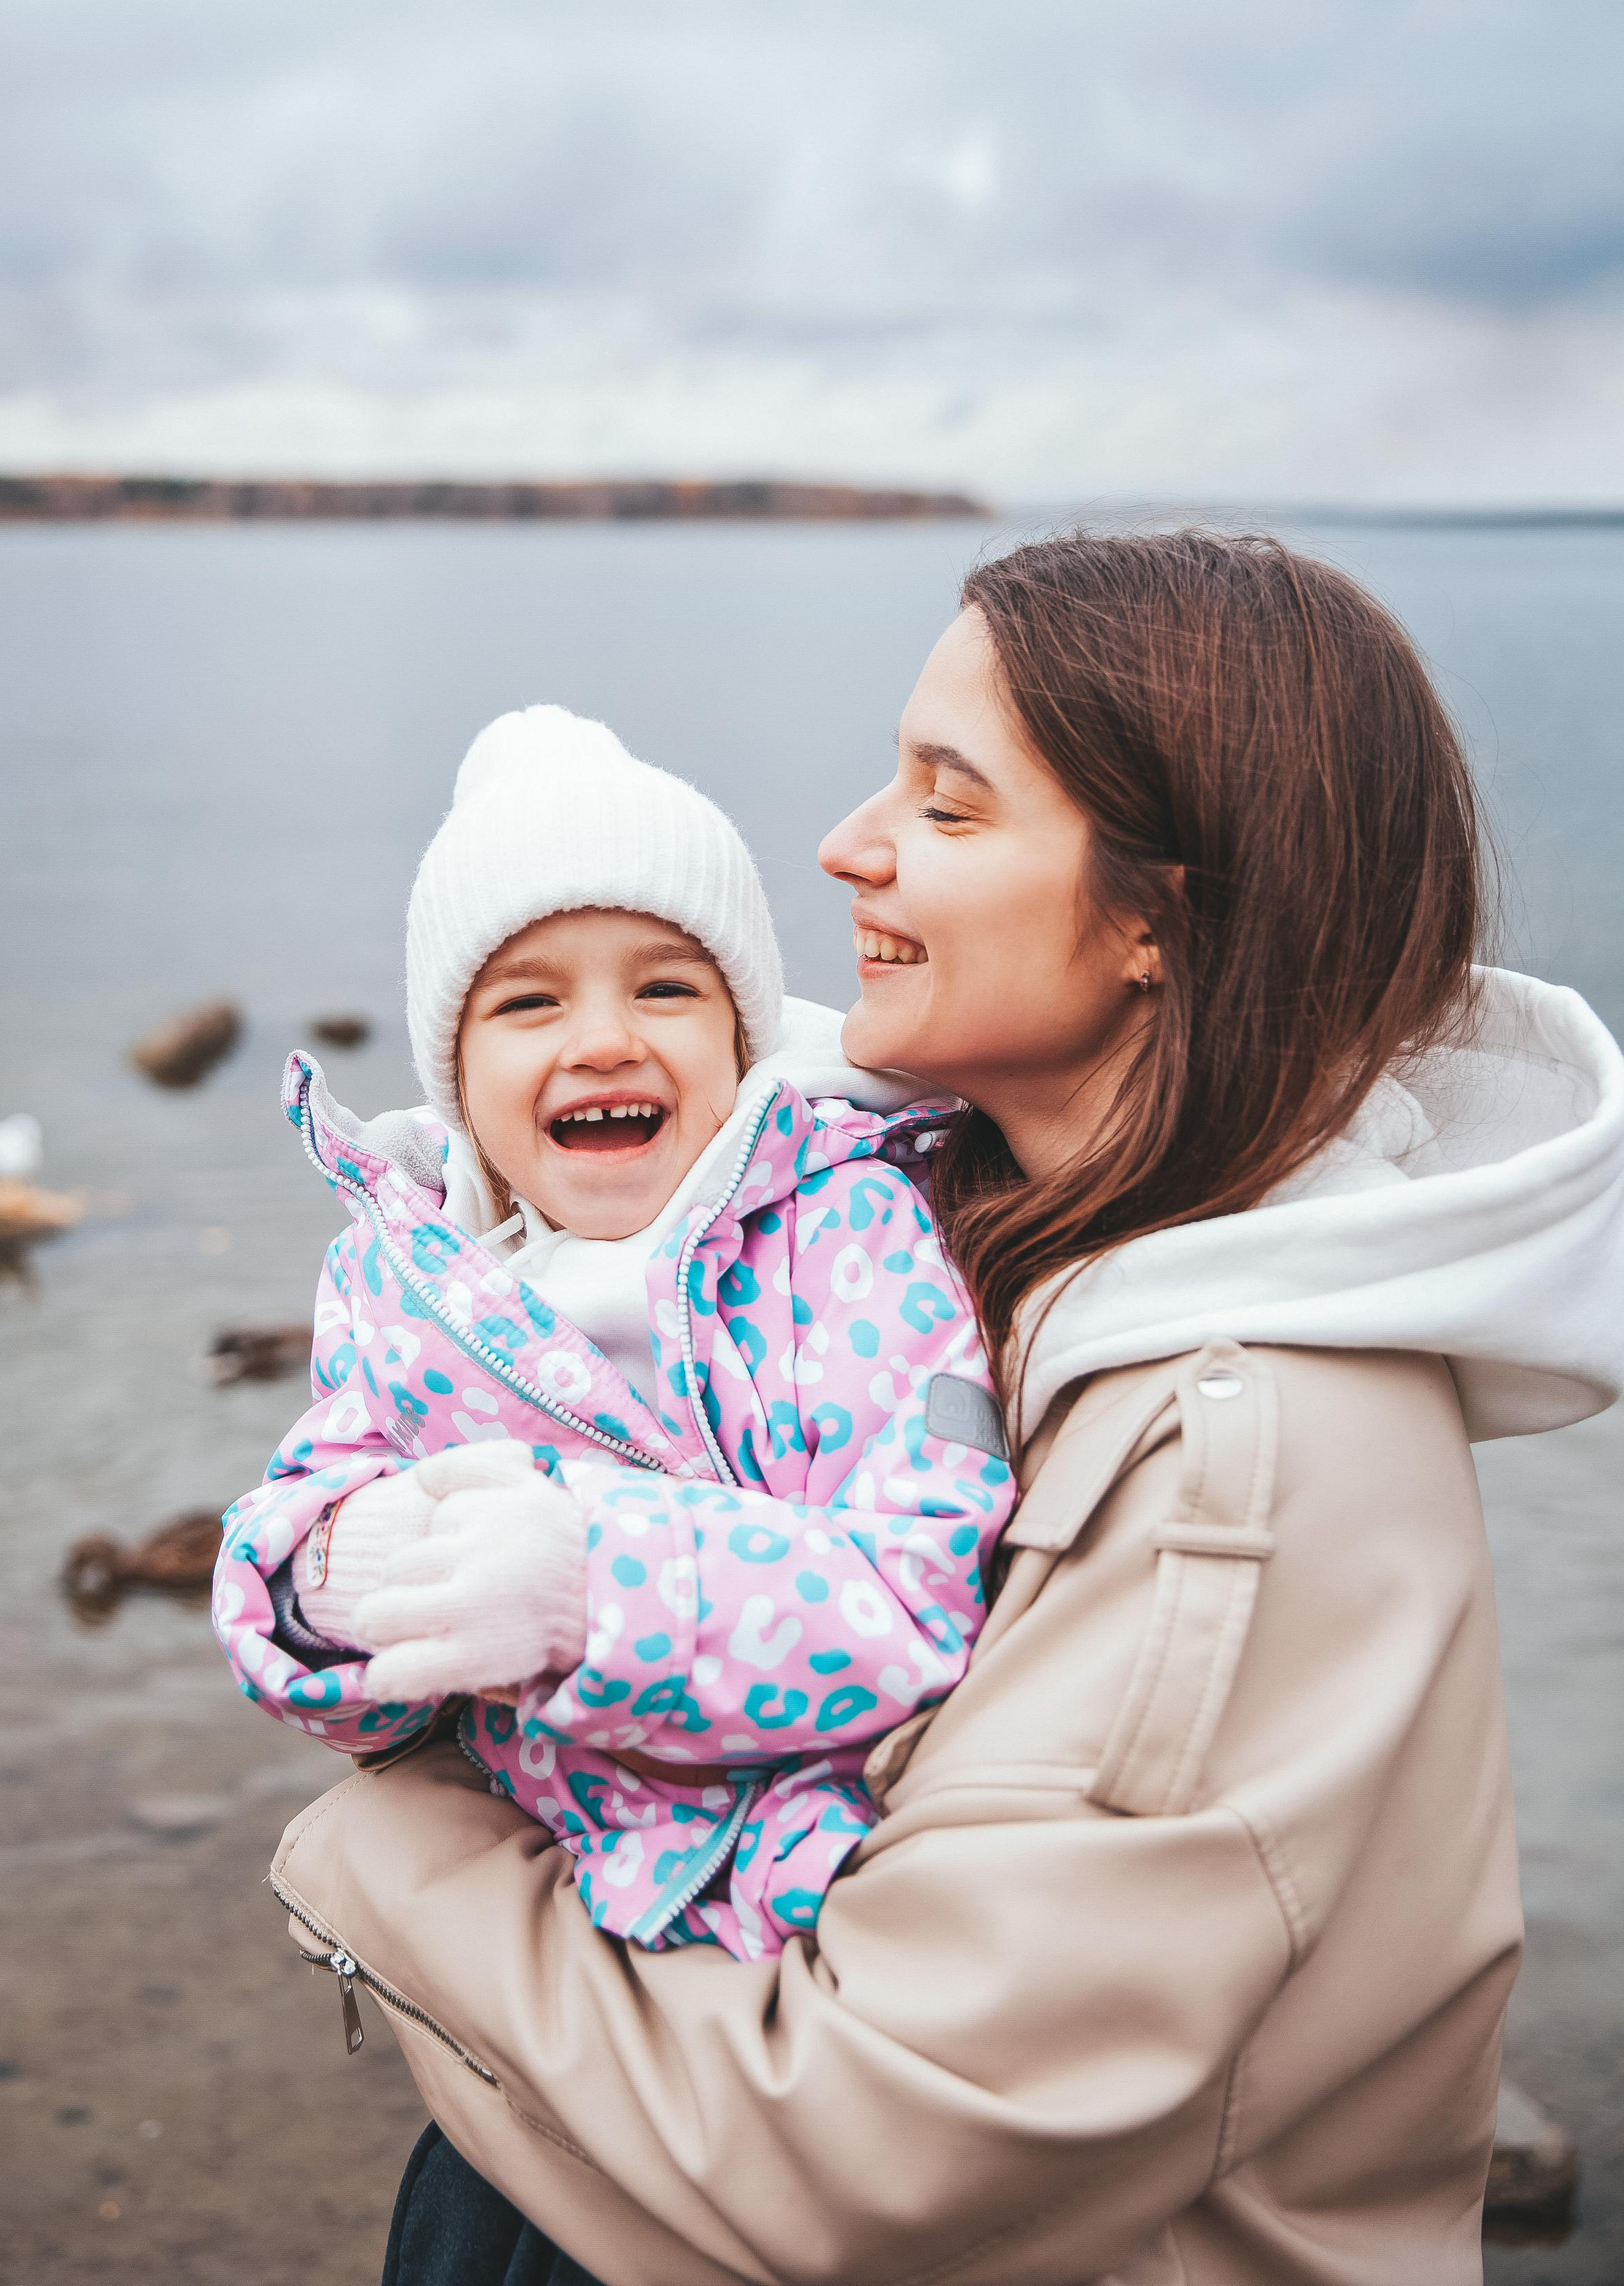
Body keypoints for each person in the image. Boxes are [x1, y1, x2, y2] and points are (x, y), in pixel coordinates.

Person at [268, 531, 1624, 2286]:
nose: (843, 845)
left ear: (1157, 917)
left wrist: (381, 1849)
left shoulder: (1243, 1449)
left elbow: (869, 2150)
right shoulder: (948, 1215)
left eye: (947, 802)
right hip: (596, 2160)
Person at [215, 704, 1015, 1962]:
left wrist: (593, 1588)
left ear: (744, 1039)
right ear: (456, 1081)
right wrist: (330, 1582)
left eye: (665, 988)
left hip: (826, 1880)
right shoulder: (406, 1282)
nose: (602, 1040)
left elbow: (931, 1588)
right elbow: (337, 1622)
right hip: (574, 1893)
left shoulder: (849, 1233)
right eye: (527, 1004)